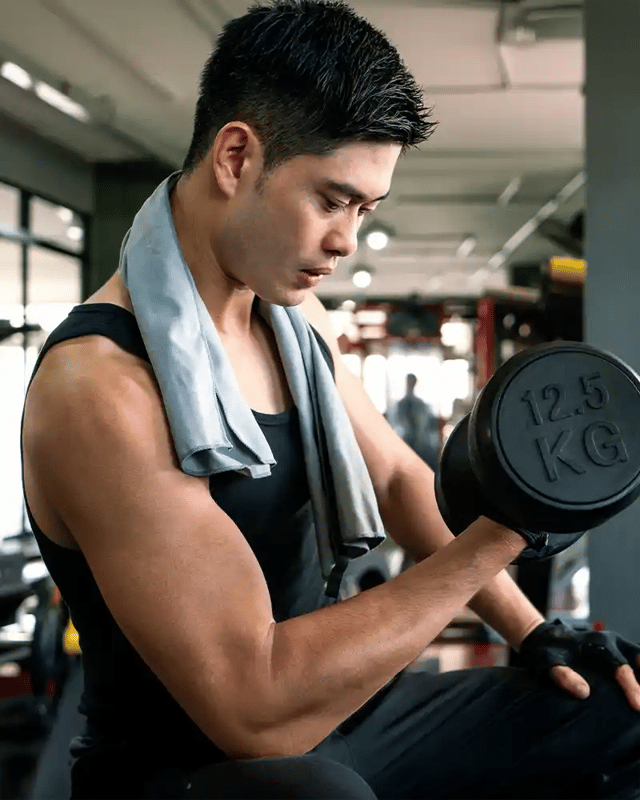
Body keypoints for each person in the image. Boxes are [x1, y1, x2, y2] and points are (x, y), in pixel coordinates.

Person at [20, 1, 640, 798]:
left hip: (344, 722)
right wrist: (510, 530)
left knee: (620, 707)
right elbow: (253, 709)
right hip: (192, 766)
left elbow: (396, 478)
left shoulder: (290, 312)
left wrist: (536, 632)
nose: (347, 240)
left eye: (365, 211)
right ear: (237, 157)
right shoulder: (101, 389)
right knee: (314, 792)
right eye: (331, 199)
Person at [389, 373, 441, 471]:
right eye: (409, 382)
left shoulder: (420, 404)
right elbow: (398, 423)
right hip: (406, 442)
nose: (410, 384)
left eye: (412, 382)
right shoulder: (402, 404)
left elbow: (425, 425)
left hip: (421, 444)